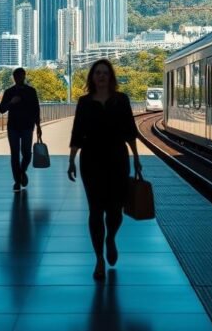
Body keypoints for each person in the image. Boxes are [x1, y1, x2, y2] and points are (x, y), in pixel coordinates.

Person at [67, 59, 143, 281]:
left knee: (115, 211)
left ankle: (111, 238)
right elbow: (77, 133)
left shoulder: (121, 100)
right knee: (95, 210)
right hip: (91, 160)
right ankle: (99, 258)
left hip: (117, 159)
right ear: (92, 77)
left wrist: (136, 157)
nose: (101, 76)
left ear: (111, 77)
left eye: (105, 73)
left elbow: (130, 131)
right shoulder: (84, 102)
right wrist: (71, 159)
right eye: (97, 73)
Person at [0, 68, 42, 192]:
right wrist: (11, 102)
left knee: (27, 154)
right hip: (13, 127)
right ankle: (17, 181)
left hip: (27, 126)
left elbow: (36, 109)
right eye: (17, 76)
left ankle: (22, 172)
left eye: (22, 76)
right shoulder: (9, 92)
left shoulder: (31, 91)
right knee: (15, 154)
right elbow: (1, 109)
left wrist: (38, 125)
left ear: (24, 76)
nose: (20, 78)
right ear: (14, 78)